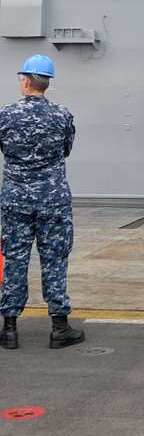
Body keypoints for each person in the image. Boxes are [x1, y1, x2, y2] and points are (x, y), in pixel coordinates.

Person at [0, 55, 84, 351]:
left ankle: (9, 329)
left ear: (25, 80)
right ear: (47, 83)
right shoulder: (62, 115)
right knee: (55, 259)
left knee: (14, 258)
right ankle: (59, 328)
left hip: (15, 200)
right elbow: (66, 150)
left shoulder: (5, 115)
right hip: (53, 200)